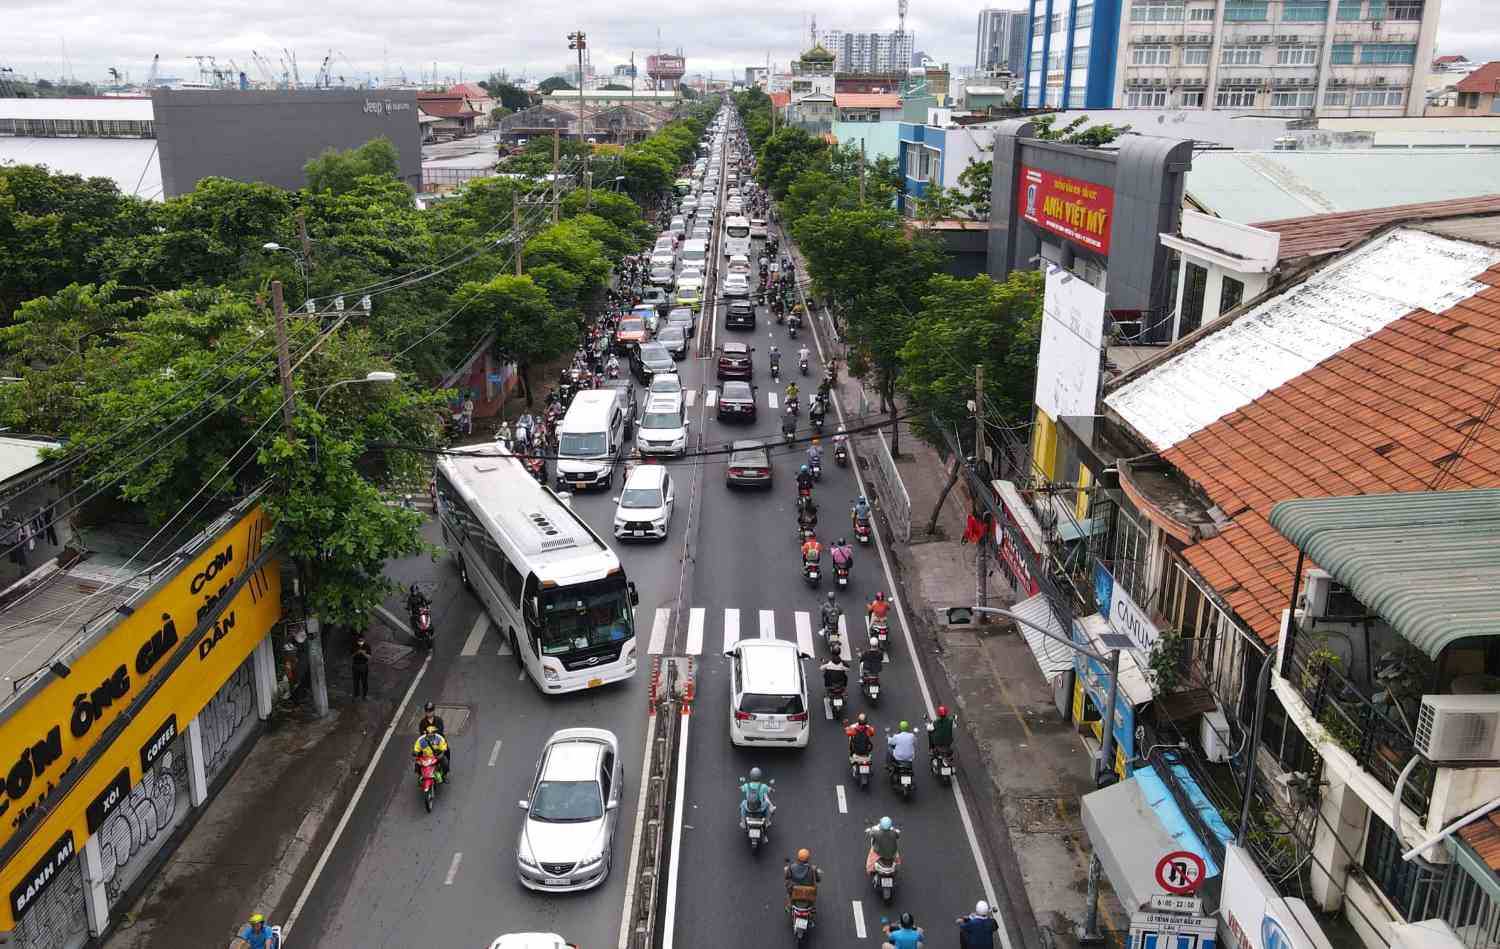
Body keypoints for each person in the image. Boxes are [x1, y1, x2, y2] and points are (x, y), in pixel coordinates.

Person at [351, 634, 371, 700]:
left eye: (362, 640)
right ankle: (356, 695)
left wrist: (364, 653)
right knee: (356, 681)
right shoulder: (354, 646)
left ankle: (365, 695)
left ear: (364, 640)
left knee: (364, 681)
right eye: (359, 640)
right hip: (355, 666)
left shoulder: (367, 646)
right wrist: (356, 652)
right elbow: (351, 656)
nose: (360, 642)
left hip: (364, 666)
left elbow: (369, 657)